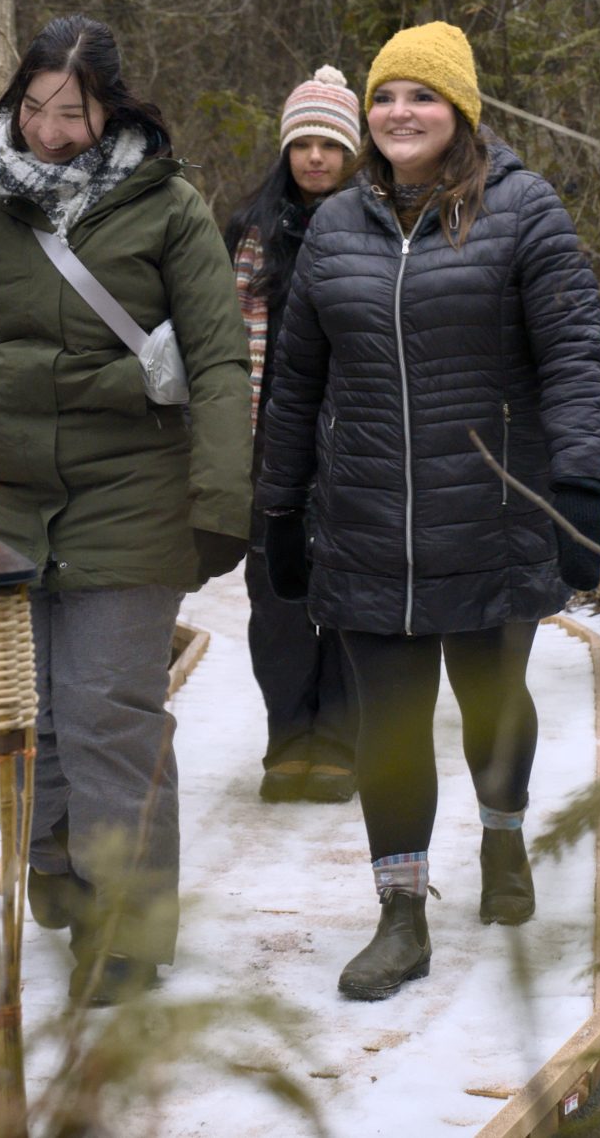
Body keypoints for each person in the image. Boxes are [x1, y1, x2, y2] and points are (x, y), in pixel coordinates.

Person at [0, 16, 250, 1005]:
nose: (46, 128)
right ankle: (58, 864)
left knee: (106, 714)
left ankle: (128, 924)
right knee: (17, 715)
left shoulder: (168, 209)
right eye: (32, 106)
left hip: (133, 492)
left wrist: (221, 495)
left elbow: (215, 359)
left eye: (69, 110)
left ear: (109, 109)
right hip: (2, 499)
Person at [257, 21, 600, 1001]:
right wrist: (281, 508)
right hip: (369, 522)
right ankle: (401, 912)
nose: (400, 112)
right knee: (392, 725)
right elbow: (294, 384)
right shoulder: (335, 226)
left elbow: (576, 355)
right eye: (385, 96)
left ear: (460, 108)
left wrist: (580, 489)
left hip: (493, 520)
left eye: (422, 95)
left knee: (492, 705)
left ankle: (504, 832)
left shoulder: (522, 208)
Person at [224, 66, 364, 805]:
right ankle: (289, 739)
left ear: (352, 153)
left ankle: (339, 741)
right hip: (269, 442)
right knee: (275, 597)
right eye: (304, 143)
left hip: (355, 443)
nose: (316, 158)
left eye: (331, 145)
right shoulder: (249, 233)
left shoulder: (380, 224)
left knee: (344, 594)